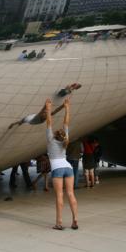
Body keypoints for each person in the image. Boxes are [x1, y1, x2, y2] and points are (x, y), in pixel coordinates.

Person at [45, 97, 78, 230]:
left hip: (57, 169)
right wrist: (67, 108)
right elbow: (66, 123)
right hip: (67, 167)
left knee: (59, 195)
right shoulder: (66, 140)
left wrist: (48, 109)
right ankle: (75, 220)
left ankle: (59, 223)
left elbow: (49, 123)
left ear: (54, 135)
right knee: (71, 194)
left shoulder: (50, 140)